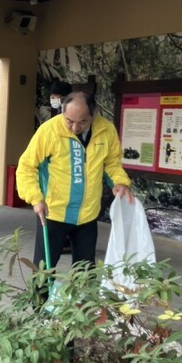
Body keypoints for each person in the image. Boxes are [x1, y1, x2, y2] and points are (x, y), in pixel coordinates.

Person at [16, 92, 134, 295]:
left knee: (85, 272)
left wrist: (120, 182)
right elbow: (27, 167)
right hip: (53, 213)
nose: (75, 128)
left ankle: (82, 311)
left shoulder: (106, 130)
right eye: (69, 121)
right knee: (43, 270)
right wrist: (35, 198)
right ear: (63, 112)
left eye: (82, 122)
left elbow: (112, 162)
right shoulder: (49, 130)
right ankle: (39, 311)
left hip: (87, 215)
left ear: (93, 115)